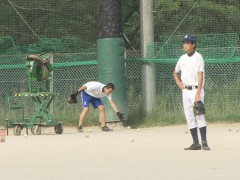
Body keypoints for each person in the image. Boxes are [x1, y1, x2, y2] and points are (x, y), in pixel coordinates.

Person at [173, 34, 210, 151]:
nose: (185, 45)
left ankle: (204, 142)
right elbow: (175, 72)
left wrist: (198, 93)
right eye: (184, 42)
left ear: (193, 45)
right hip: (185, 91)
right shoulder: (182, 58)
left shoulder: (198, 57)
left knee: (199, 114)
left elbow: (201, 75)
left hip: (196, 89)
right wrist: (179, 83)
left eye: (188, 43)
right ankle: (196, 143)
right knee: (189, 116)